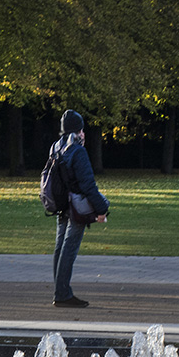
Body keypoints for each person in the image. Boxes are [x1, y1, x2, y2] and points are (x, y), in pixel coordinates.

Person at [50, 109, 108, 308]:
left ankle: (60, 291)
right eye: (82, 130)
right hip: (77, 207)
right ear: (77, 131)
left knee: (60, 248)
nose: (84, 134)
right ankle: (63, 294)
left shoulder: (56, 148)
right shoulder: (78, 151)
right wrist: (102, 209)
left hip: (61, 205)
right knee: (69, 249)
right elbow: (87, 185)